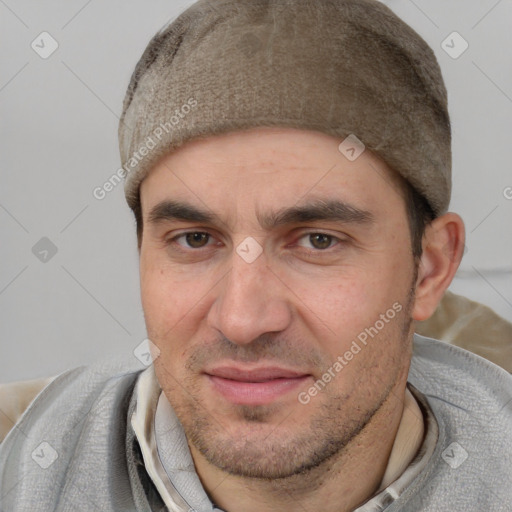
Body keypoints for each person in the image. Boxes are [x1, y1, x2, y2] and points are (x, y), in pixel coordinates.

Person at [1, 0, 511, 510]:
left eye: (317, 240)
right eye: (195, 239)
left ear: (430, 268)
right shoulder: (21, 469)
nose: (242, 320)